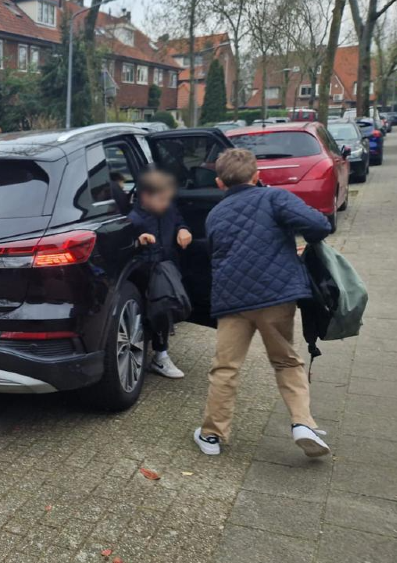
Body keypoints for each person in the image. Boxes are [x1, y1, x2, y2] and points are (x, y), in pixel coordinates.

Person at [194, 148, 332, 457]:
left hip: (232, 301)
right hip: (275, 296)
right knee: (285, 360)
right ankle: (302, 424)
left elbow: (213, 253)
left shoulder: (214, 214)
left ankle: (213, 435)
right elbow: (320, 226)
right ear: (257, 176)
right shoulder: (274, 198)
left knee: (225, 368)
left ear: (219, 183)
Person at [128, 170, 192, 379]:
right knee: (153, 312)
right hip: (144, 273)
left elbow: (178, 219)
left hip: (167, 267)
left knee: (164, 310)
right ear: (146, 196)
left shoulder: (168, 210)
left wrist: (183, 229)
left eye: (168, 198)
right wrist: (137, 241)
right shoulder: (132, 218)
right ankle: (156, 354)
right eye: (162, 199)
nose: (166, 203)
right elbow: (121, 244)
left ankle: (160, 354)